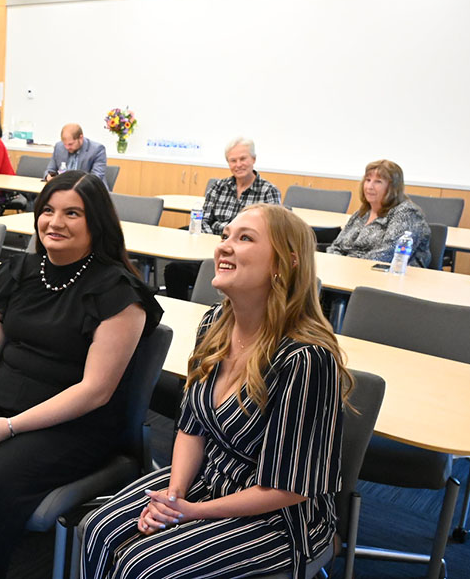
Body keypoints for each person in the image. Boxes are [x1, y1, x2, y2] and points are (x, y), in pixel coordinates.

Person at [0, 171, 163, 579]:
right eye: (48, 210)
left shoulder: (119, 293)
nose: (55, 222)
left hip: (71, 422)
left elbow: (95, 391)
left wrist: (10, 427)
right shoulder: (19, 270)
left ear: (96, 222)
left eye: (72, 213)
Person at [79, 203, 354, 579]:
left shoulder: (306, 359)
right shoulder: (215, 323)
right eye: (225, 236)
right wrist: (175, 496)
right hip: (210, 479)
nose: (224, 246)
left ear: (285, 263)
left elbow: (289, 488)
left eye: (245, 238)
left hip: (277, 517)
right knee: (99, 530)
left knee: (141, 566)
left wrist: (192, 512)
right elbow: (190, 428)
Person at [164, 137, 282, 299]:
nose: (238, 164)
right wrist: (217, 242)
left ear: (253, 159)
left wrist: (234, 244)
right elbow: (203, 220)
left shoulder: (268, 191)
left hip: (244, 259)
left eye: (243, 159)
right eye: (233, 160)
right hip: (210, 251)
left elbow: (271, 232)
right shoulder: (219, 187)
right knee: (174, 270)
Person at [326, 159, 431, 267]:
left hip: (383, 272)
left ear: (392, 187)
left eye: (378, 182)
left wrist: (348, 266)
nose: (369, 186)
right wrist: (334, 262)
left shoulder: (406, 213)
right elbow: (336, 246)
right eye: (368, 180)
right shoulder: (362, 213)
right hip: (349, 269)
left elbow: (387, 255)